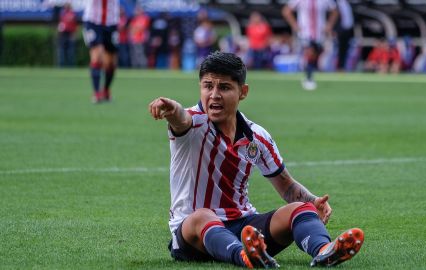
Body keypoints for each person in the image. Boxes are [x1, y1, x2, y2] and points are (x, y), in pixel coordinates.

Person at [148, 51, 364, 268]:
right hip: (192, 234)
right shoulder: (193, 123)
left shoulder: (257, 136)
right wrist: (172, 109)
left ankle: (325, 251)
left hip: (243, 226)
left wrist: (312, 201)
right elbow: (180, 119)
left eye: (224, 87)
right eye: (207, 86)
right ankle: (245, 256)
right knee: (202, 216)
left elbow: (286, 185)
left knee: (301, 208)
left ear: (243, 92)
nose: (214, 94)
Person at [282, 0, 338, 90]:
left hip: (319, 33)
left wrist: (329, 25)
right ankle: (309, 78)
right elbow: (286, 11)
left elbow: (335, 11)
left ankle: (309, 73)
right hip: (305, 32)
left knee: (315, 55)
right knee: (310, 53)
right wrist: (295, 25)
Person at [82, 0, 120, 103]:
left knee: (111, 63)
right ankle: (96, 93)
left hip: (111, 23)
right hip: (93, 22)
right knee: (97, 55)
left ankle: (106, 90)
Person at [334, 0, 354, 72]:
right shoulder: (336, 3)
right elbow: (335, 18)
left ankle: (342, 67)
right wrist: (335, 30)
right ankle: (337, 67)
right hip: (340, 31)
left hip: (347, 31)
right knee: (338, 50)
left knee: (345, 50)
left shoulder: (348, 3)